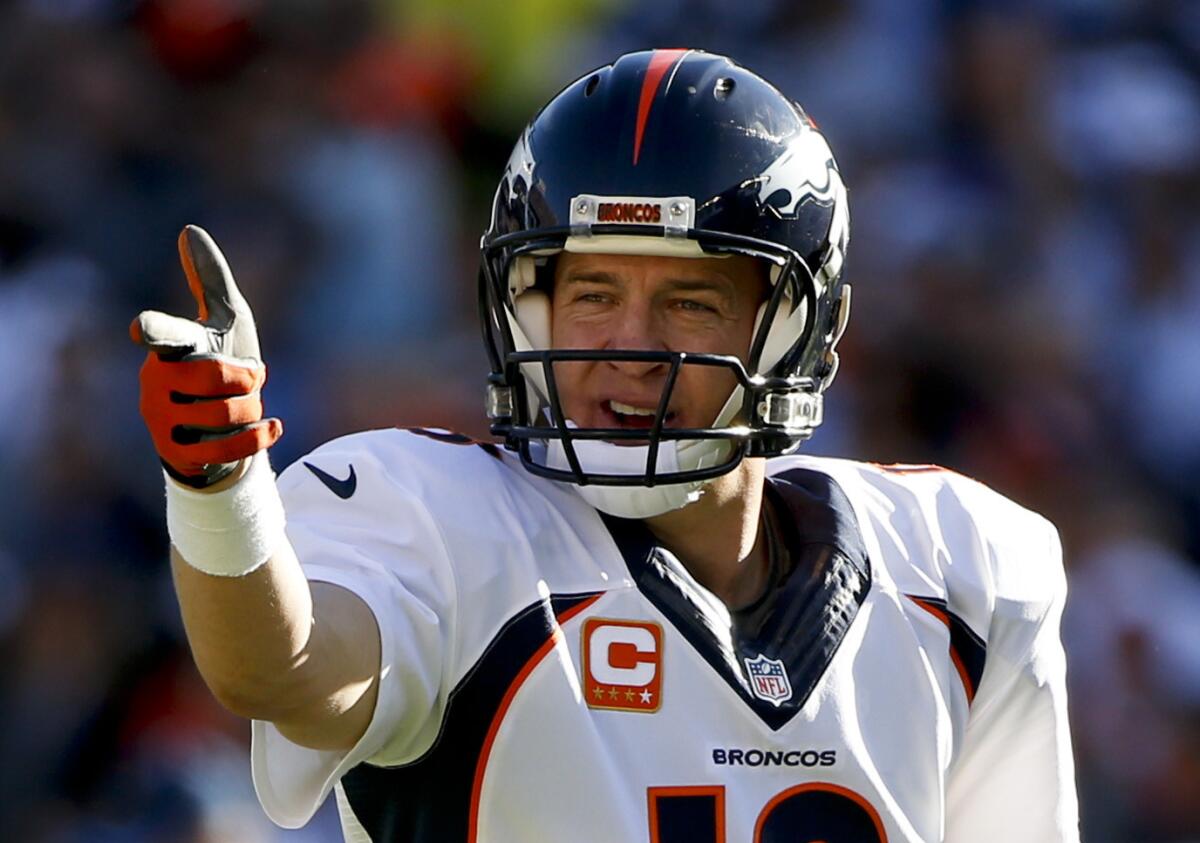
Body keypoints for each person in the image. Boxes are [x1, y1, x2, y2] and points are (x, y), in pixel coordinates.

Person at [131, 50, 1080, 842]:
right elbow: (277, 667)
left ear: (796, 331)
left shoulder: (962, 568)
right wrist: (220, 491)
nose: (627, 344)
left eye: (689, 300)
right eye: (590, 296)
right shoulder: (443, 522)